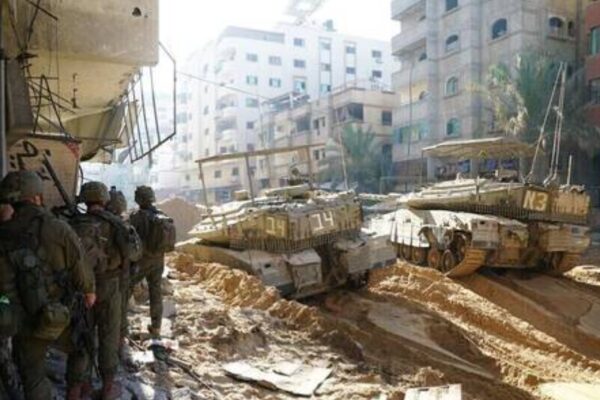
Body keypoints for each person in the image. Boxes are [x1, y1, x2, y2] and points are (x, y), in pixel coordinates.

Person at [0, 170, 96, 400]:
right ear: (36, 197)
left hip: (20, 319)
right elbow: (82, 273)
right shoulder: (58, 227)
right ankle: (74, 392)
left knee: (32, 375)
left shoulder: (3, 231)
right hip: (61, 312)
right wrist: (89, 293)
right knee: (82, 347)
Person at [69, 181, 132, 399]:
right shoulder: (116, 223)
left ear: (84, 200)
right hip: (110, 286)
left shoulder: (72, 223)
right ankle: (107, 388)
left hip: (81, 288)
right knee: (108, 336)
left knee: (81, 336)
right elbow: (133, 254)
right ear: (105, 199)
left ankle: (78, 388)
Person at [129, 186, 175, 338]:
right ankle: (156, 327)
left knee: (126, 287)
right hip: (158, 260)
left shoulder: (137, 216)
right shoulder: (162, 215)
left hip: (142, 260)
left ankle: (121, 325)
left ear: (139, 199)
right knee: (155, 292)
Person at [106, 187, 142, 360]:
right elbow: (135, 254)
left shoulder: (94, 222)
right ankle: (119, 346)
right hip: (120, 278)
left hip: (96, 280)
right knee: (119, 315)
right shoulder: (124, 227)